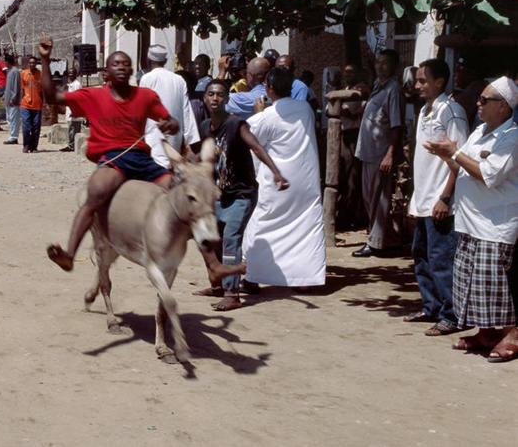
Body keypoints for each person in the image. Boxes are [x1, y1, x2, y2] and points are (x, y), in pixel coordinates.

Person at [39, 35, 244, 283]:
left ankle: (213, 265)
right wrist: (45, 59)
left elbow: (169, 119)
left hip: (141, 158)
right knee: (95, 192)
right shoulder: (92, 95)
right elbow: (51, 97)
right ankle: (70, 254)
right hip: (114, 158)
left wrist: (169, 124)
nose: (123, 68)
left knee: (187, 196)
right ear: (107, 72)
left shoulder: (145, 95)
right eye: (117, 64)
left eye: (127, 64)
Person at [424, 76, 518, 362]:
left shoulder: (511, 137)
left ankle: (512, 333)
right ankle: (486, 332)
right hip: (470, 221)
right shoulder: (479, 132)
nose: (478, 103)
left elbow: (490, 175)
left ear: (503, 106)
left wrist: (455, 153)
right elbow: (463, 165)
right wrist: (446, 155)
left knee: (496, 285)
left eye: (484, 100)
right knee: (472, 282)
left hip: (495, 222)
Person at [193, 79, 289, 310]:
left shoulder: (236, 124)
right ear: (204, 98)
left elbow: (257, 147)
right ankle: (217, 285)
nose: (215, 98)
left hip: (241, 194)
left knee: (231, 239)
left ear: (226, 99)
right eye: (211, 94)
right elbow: (203, 155)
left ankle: (232, 293)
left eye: (220, 95)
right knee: (207, 238)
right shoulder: (206, 126)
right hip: (218, 194)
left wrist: (276, 172)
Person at [243, 67, 326, 289]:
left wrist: (259, 112)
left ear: (269, 89)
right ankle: (304, 279)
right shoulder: (305, 109)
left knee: (261, 226)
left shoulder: (267, 116)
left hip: (277, 181)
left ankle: (253, 276)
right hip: (305, 179)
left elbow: (251, 139)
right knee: (305, 228)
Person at [405, 59, 469, 336]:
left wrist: (445, 197)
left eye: (423, 80)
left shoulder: (451, 112)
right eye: (417, 81)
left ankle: (452, 315)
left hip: (441, 201)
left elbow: (460, 158)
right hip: (423, 199)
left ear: (439, 82)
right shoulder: (425, 111)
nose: (418, 85)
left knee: (442, 259)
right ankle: (431, 305)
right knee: (421, 255)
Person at [353, 49, 403, 257]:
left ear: (394, 66)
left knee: (378, 199)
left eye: (385, 63)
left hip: (380, 153)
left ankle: (375, 243)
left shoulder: (394, 90)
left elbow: (396, 125)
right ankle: (387, 239)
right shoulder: (378, 86)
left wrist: (390, 154)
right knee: (370, 198)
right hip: (368, 151)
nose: (380, 66)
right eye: (378, 62)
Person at [139, 44, 200, 168]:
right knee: (172, 168)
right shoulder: (179, 79)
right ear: (165, 60)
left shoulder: (146, 78)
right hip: (175, 135)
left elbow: (141, 109)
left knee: (156, 170)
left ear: (149, 60)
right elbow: (186, 110)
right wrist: (189, 140)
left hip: (152, 134)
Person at [337, 63, 369, 230]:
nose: (347, 75)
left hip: (353, 134)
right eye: (346, 72)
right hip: (343, 134)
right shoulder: (346, 88)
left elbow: (350, 111)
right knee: (342, 174)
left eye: (351, 72)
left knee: (351, 176)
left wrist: (339, 108)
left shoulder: (360, 90)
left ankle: (348, 216)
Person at [449, 57, 487, 129]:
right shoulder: (464, 92)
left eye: (458, 70)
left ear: (471, 73)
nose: (454, 74)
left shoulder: (476, 91)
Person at [20, 56, 43, 153]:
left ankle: (34, 147)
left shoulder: (40, 75)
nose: (32, 64)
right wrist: (20, 101)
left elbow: (42, 91)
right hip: (25, 104)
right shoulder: (23, 74)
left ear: (36, 63)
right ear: (28, 63)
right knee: (26, 127)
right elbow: (22, 89)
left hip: (37, 105)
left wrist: (43, 103)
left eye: (34, 63)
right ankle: (26, 145)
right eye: (30, 63)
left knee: (36, 127)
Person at [60, 69, 82, 152]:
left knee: (74, 128)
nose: (70, 74)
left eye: (72, 73)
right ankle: (71, 144)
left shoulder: (77, 84)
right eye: (69, 73)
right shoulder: (70, 84)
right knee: (71, 127)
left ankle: (72, 146)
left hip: (74, 110)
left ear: (75, 74)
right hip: (69, 109)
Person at [3, 54, 21, 145]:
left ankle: (14, 137)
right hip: (8, 99)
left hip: (13, 101)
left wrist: (13, 98)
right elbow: (8, 87)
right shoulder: (9, 72)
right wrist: (5, 95)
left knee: (14, 119)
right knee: (9, 118)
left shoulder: (15, 72)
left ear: (7, 62)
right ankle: (11, 136)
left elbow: (16, 86)